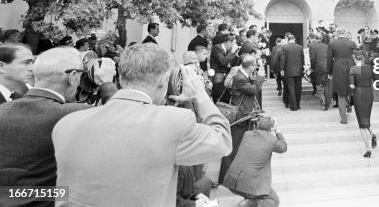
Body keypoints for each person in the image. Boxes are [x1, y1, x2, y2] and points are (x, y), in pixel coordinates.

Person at [53, 43, 231, 207]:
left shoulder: (66, 124)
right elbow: (222, 140)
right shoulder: (174, 122)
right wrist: (200, 94)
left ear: (121, 79)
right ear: (163, 81)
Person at [0, 47, 116, 206]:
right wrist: (107, 83)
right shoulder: (70, 114)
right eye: (80, 75)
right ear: (73, 76)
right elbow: (120, 120)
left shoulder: (4, 109)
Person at [219, 55, 266, 183]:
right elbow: (253, 90)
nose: (256, 67)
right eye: (255, 65)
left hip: (245, 114)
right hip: (240, 116)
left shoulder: (243, 75)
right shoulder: (239, 77)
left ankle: (236, 174)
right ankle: (224, 177)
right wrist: (260, 78)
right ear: (250, 66)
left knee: (240, 145)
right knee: (233, 146)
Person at [224, 117, 287, 207]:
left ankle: (249, 200)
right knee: (274, 201)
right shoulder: (272, 140)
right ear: (270, 129)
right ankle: (250, 203)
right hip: (249, 185)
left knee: (252, 185)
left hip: (231, 182)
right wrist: (277, 130)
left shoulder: (247, 134)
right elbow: (284, 147)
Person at [349, 50, 376, 158]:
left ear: (355, 58)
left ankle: (368, 149)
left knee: (361, 123)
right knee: (366, 117)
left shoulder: (353, 69)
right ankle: (373, 134)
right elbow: (376, 79)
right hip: (369, 94)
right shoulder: (369, 68)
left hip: (359, 95)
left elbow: (352, 86)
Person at [327, 28, 356, 124]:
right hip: (351, 66)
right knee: (351, 89)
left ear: (336, 33)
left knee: (341, 94)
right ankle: (350, 106)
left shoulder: (332, 43)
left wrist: (329, 72)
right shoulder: (352, 43)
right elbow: (358, 56)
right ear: (344, 33)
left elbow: (329, 59)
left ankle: (343, 119)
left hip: (338, 67)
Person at [209, 34, 239, 103]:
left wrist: (235, 54)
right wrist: (232, 52)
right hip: (218, 77)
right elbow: (223, 61)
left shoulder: (228, 51)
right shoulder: (217, 48)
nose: (233, 47)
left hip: (226, 77)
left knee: (226, 98)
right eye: (233, 44)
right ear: (228, 42)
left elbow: (232, 63)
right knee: (219, 97)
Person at [280, 34, 304, 111]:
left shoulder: (284, 47)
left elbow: (282, 60)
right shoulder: (300, 47)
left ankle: (293, 106)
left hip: (288, 70)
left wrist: (282, 70)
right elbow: (302, 59)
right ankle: (298, 104)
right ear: (294, 39)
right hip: (299, 70)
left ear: (288, 40)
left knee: (291, 88)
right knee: (298, 88)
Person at [309, 32, 331, 110]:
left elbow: (313, 59)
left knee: (319, 85)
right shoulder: (326, 46)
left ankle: (323, 101)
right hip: (327, 67)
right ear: (321, 38)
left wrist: (312, 68)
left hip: (318, 68)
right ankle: (327, 103)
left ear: (315, 38)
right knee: (326, 85)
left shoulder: (312, 45)